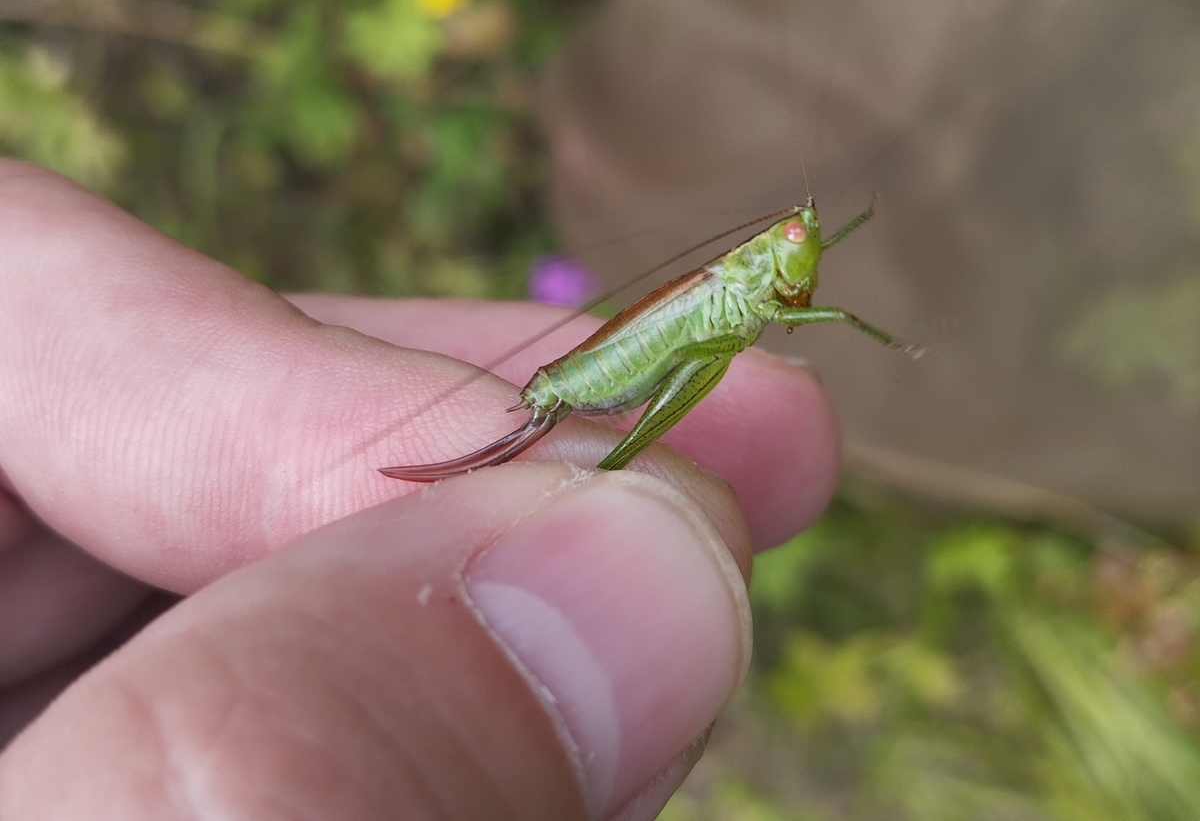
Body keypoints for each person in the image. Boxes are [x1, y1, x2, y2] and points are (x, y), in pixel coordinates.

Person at [0, 158, 840, 820]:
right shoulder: (739, 281)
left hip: (664, 354)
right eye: (798, 242)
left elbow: (784, 309)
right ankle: (562, 486)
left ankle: (549, 466)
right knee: (604, 448)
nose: (805, 248)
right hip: (613, 368)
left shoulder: (756, 277)